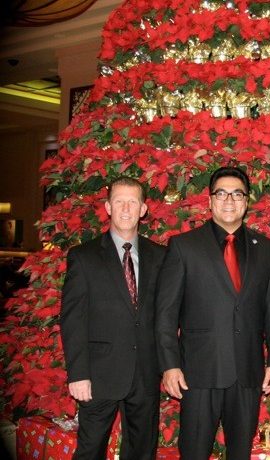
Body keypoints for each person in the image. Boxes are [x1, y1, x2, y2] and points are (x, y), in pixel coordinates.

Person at [155, 166, 270, 460]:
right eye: (221, 193)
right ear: (210, 200)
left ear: (246, 201)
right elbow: (165, 313)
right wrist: (169, 365)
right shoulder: (184, 246)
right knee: (194, 452)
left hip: (248, 372)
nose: (229, 200)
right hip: (198, 373)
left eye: (237, 193)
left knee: (240, 452)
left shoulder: (265, 249)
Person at [60, 176, 166, 460]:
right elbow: (73, 319)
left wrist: (169, 366)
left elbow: (167, 315)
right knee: (90, 451)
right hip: (98, 376)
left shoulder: (160, 256)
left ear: (143, 209)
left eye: (133, 202)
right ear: (108, 207)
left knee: (142, 452)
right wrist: (78, 374)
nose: (126, 209)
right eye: (119, 201)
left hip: (145, 373)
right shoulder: (84, 257)